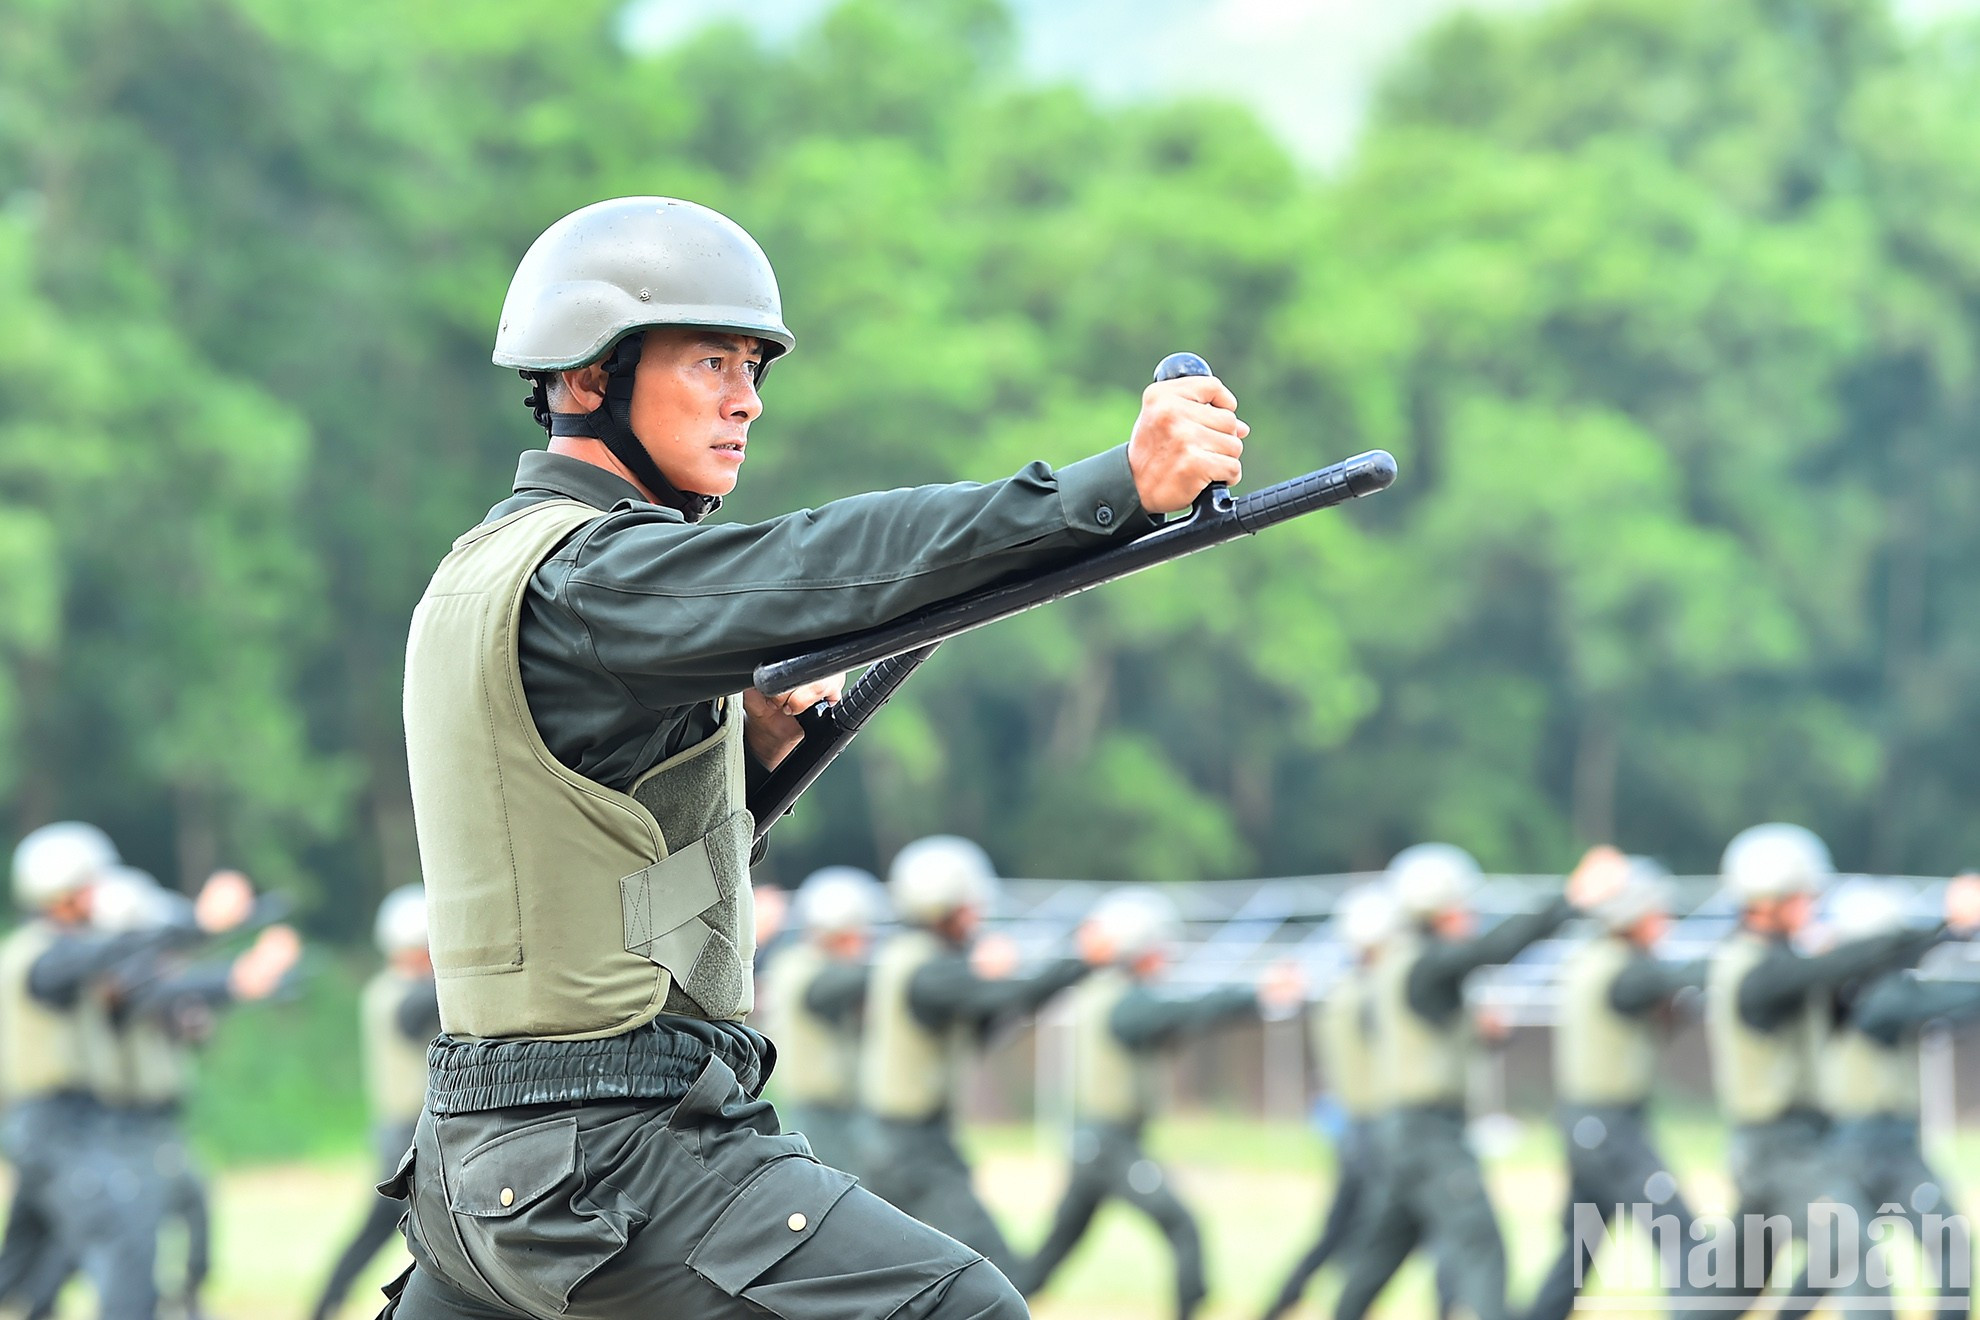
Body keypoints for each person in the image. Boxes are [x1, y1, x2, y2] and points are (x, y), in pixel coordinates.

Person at [385, 195, 1247, 1320]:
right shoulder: (597, 576)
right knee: (965, 1310)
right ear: (591, 376)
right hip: (615, 1156)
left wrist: (749, 755)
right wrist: (1114, 488)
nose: (746, 398)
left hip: (481, 1166)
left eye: (752, 368)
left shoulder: (485, 570)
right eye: (710, 361)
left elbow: (612, 886)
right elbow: (823, 560)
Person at [1328, 843, 1626, 1320]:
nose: (1472, 913)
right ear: (1437, 908)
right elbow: (1493, 951)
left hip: (1402, 1132)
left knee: (1380, 1256)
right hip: (1429, 1132)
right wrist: (1572, 900)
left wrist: (1477, 1031)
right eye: (1462, 904)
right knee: (1483, 1247)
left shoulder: (1402, 962)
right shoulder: (1426, 962)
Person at [1703, 824, 1980, 1317]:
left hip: (1803, 1144)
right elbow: (1835, 966)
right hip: (1780, 1150)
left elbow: (1859, 966)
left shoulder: (1785, 962)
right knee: (1856, 1258)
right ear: (1769, 899)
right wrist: (1944, 924)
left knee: (1733, 1292)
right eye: (1803, 895)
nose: (1812, 905)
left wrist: (1951, 931)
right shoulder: (1758, 971)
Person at [1016, 886, 1300, 1320]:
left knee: (1050, 1256)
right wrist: (1257, 996)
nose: (1166, 956)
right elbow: (1184, 1010)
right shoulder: (1125, 1001)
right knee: (1183, 1227)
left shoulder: (1106, 994)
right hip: (1109, 1145)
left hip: (1097, 1142)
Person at [859, 836, 1102, 1278]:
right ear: (939, 907)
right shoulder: (929, 969)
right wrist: (1081, 959)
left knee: (902, 1278)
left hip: (911, 1140)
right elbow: (1009, 995)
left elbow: (986, 1018)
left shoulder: (918, 959)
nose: (977, 918)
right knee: (995, 1271)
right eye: (967, 908)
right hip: (912, 1148)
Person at [1764, 878, 1980, 1320]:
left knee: (1835, 1260)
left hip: (1875, 1143)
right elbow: (1938, 1000)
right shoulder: (1873, 993)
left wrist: (1957, 931)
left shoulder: (1857, 986)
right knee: (1931, 1246)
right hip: (1868, 1147)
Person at [1527, 858, 1706, 1320]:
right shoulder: (1624, 971)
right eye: (1656, 913)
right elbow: (1680, 981)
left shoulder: (1594, 960)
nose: (1664, 923)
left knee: (1577, 1253)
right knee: (1680, 1235)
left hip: (1588, 1124)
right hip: (1609, 1127)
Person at [1259, 884, 1397, 1320]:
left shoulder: (1340, 990)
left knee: (1335, 1234)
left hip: (1352, 1130)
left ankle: (1276, 1306)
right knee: (1392, 1232)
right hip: (1379, 1131)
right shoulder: (1373, 996)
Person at [312, 885, 438, 1320]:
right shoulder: (398, 994)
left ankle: (323, 1306)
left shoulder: (389, 989)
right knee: (387, 1232)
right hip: (406, 1135)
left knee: (381, 1233)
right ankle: (324, 1306)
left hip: (407, 1133)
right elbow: (422, 1007)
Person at [759, 867, 882, 1175]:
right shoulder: (806, 969)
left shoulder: (806, 964)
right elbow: (830, 989)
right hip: (821, 1109)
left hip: (838, 1105)